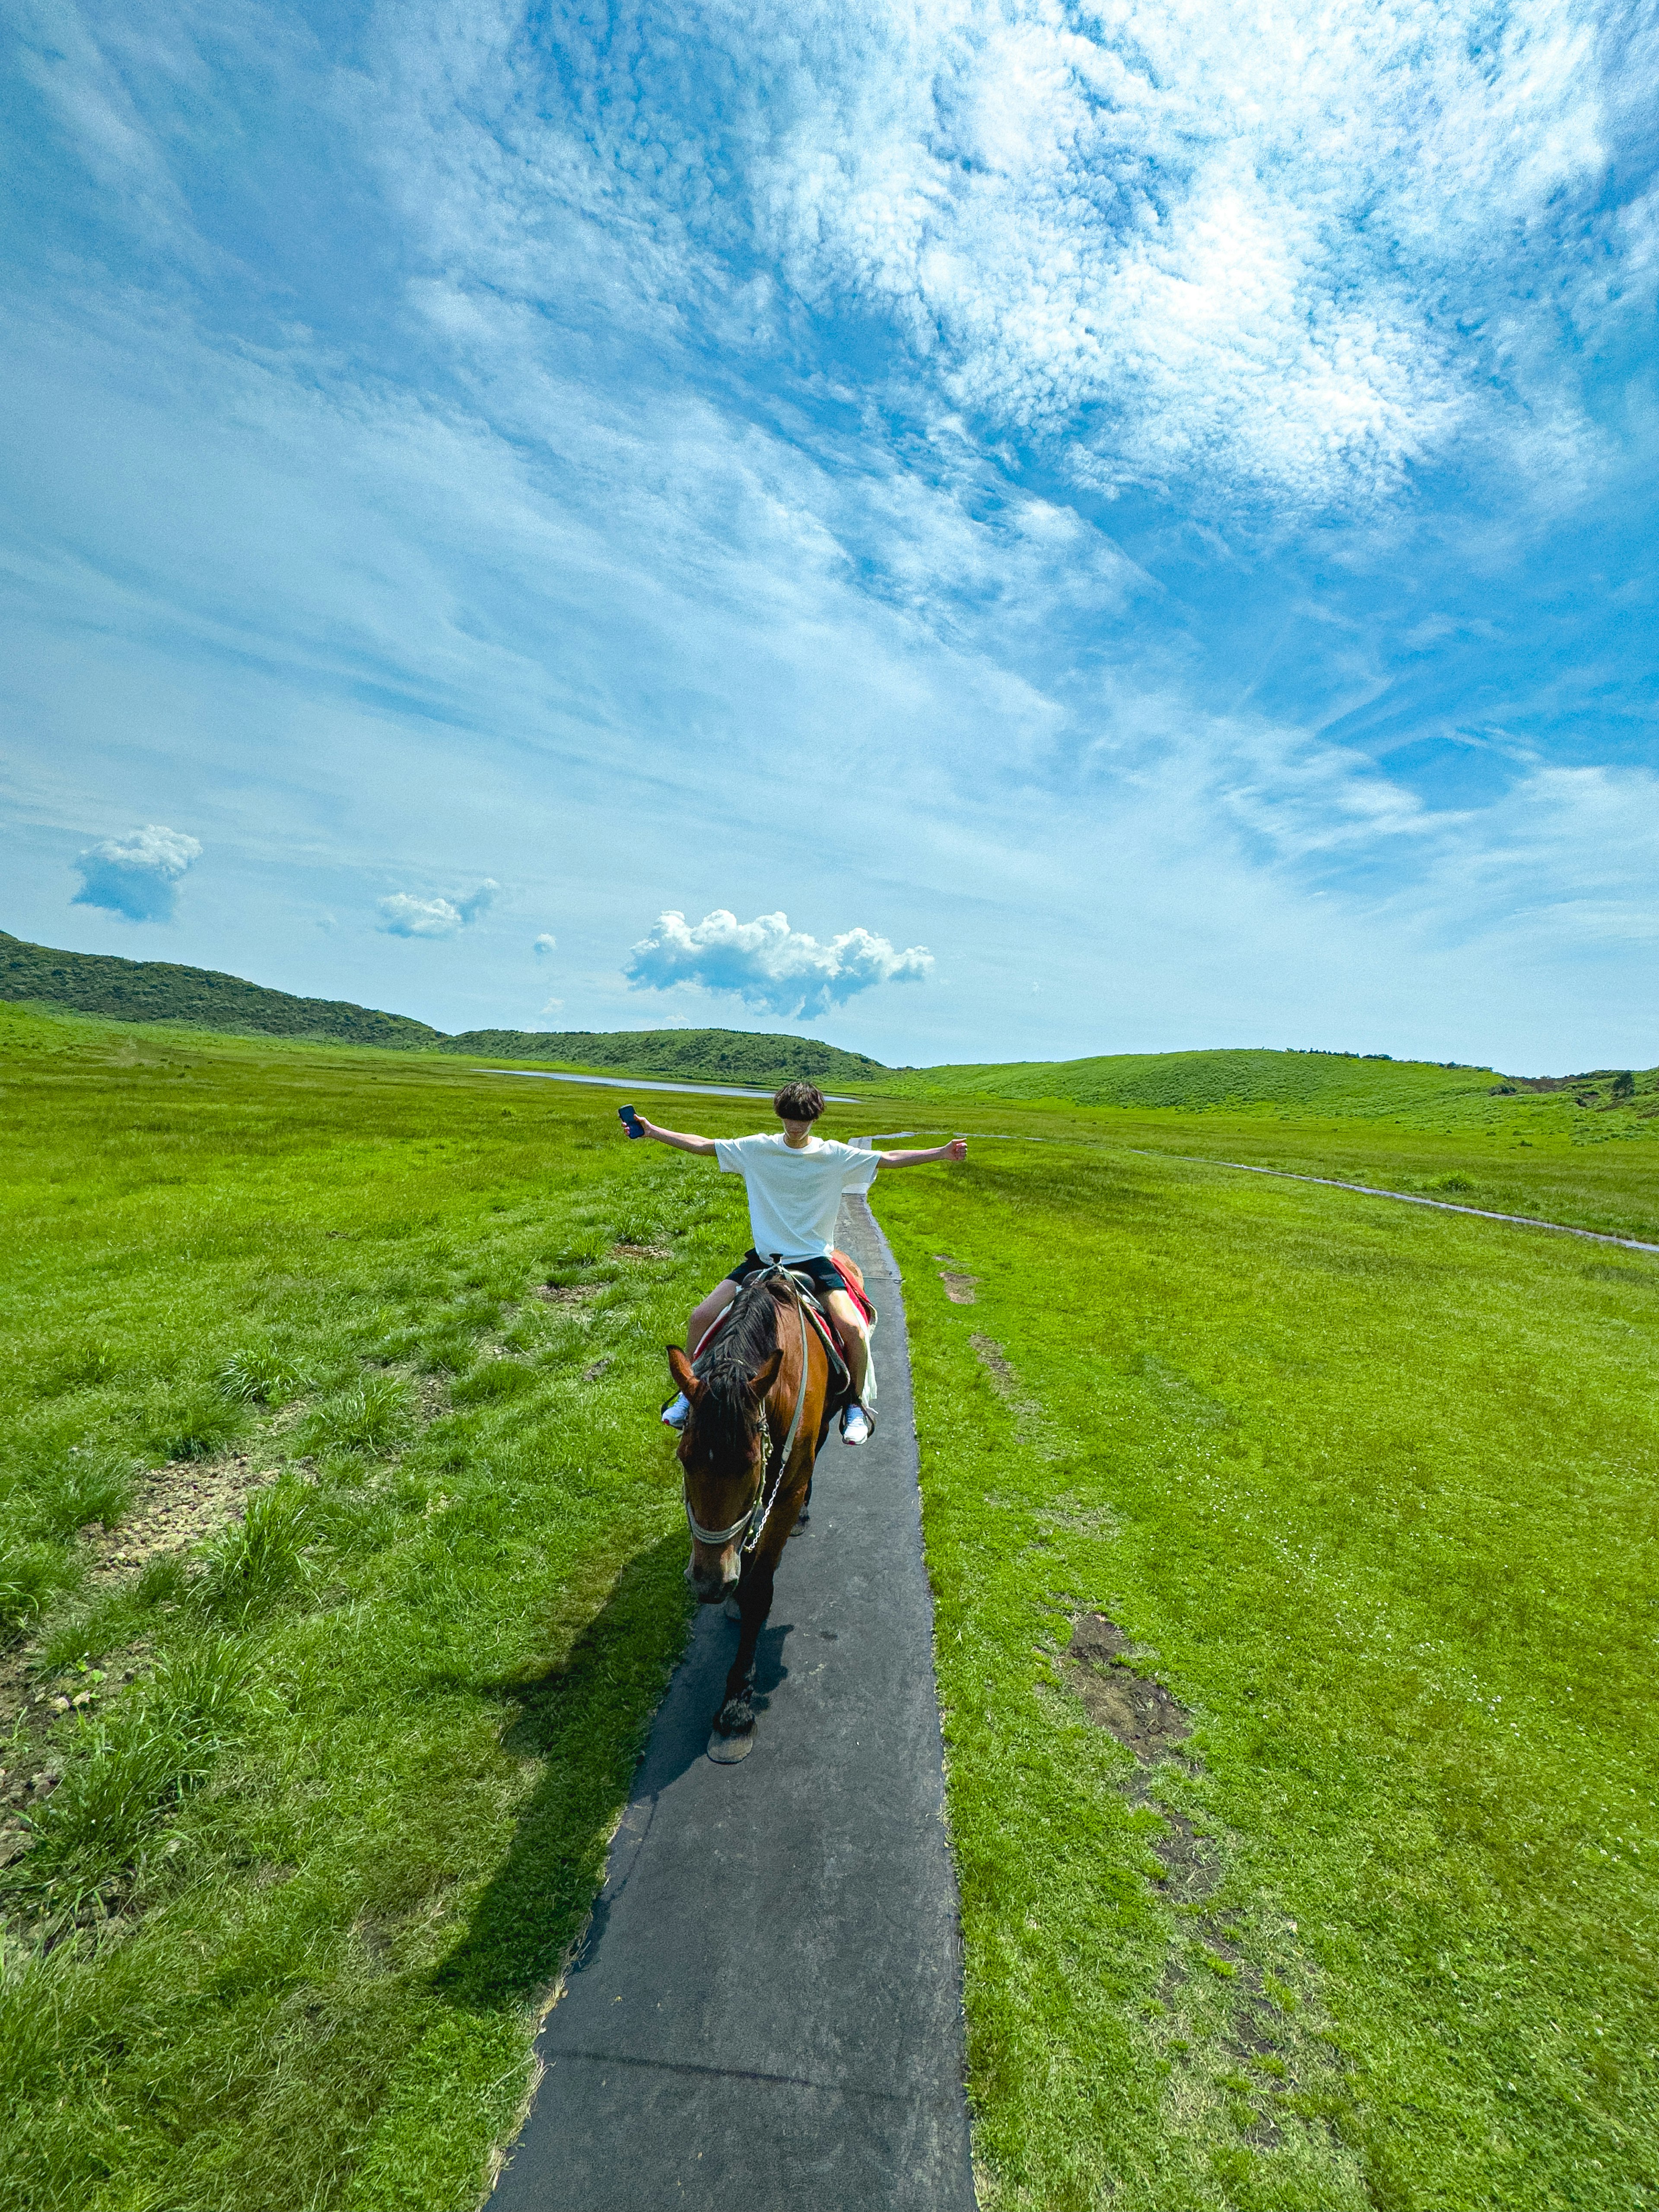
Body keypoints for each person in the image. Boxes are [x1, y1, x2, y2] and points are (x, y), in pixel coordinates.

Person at [628, 1081, 967, 1445]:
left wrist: (942, 1152)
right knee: (699, 1317)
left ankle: (855, 1404)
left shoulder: (834, 1155)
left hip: (815, 1261)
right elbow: (704, 1145)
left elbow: (888, 1158)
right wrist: (652, 1132)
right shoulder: (757, 1149)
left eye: (803, 1120)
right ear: (781, 1116)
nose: (796, 1127)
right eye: (790, 1119)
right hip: (763, 1260)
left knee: (853, 1329)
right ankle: (690, 1394)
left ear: (815, 1118)